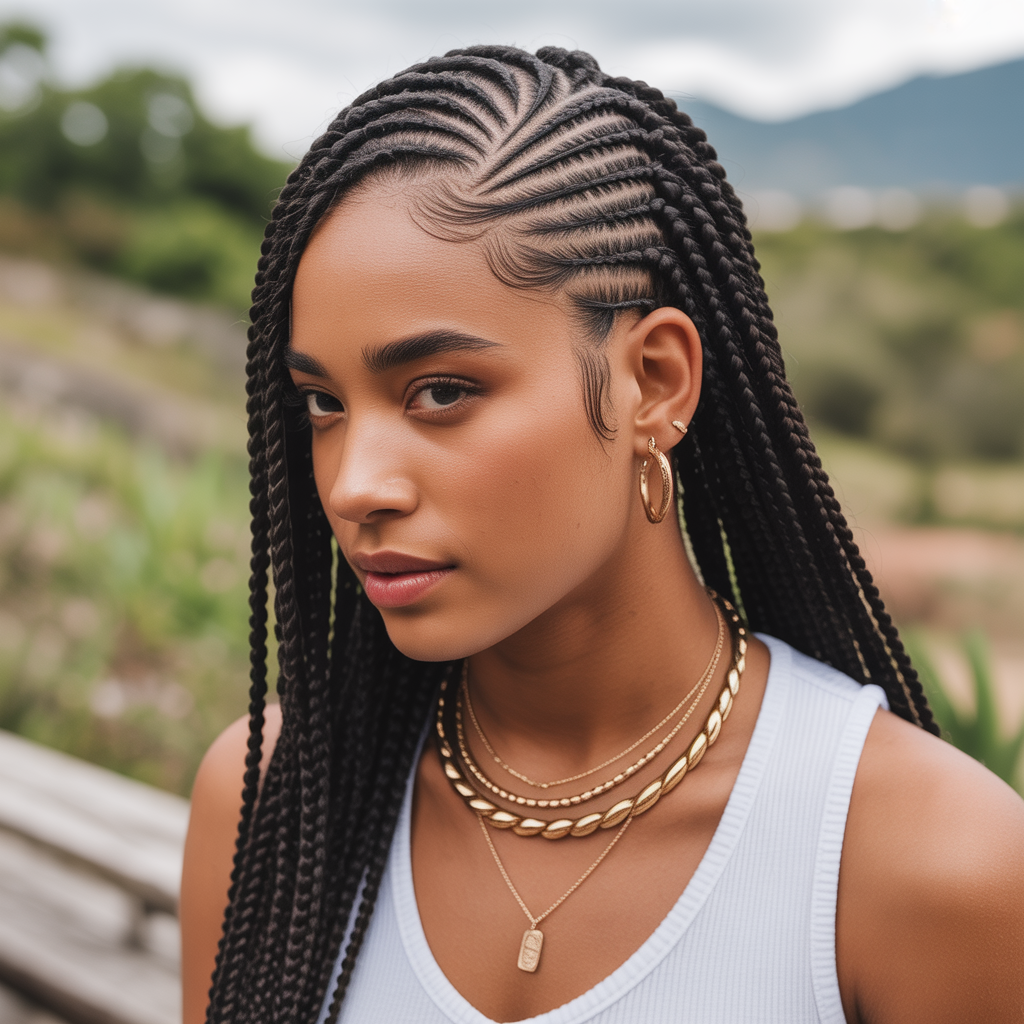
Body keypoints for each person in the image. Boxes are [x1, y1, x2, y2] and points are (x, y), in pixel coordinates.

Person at [180, 45, 1024, 1024]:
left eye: (441, 391)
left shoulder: (927, 866)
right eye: (322, 402)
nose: (354, 484)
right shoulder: (273, 801)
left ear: (652, 382)